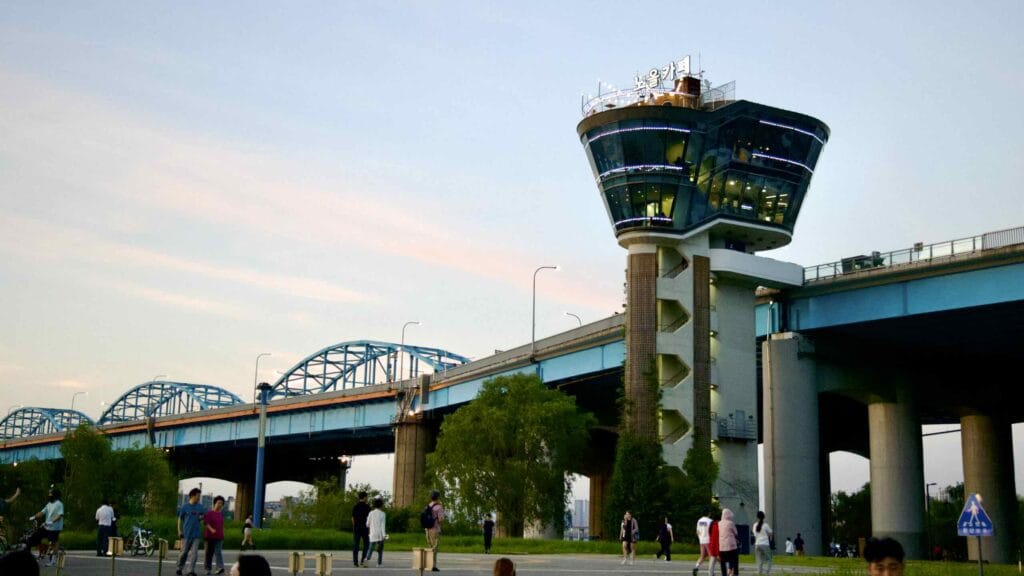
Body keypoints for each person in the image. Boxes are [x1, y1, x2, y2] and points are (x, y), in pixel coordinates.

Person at [28, 486, 63, 566]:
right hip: (46, 526)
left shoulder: (59, 504)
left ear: (55, 495)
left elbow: (60, 515)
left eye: (50, 494)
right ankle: (31, 555)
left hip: (55, 528)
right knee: (34, 537)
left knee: (53, 543)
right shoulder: (49, 504)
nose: (49, 495)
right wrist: (34, 516)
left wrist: (52, 521)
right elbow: (42, 512)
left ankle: (53, 560)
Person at [176, 487, 206, 576]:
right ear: (192, 496)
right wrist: (179, 530)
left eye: (199, 496)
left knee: (194, 554)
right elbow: (180, 519)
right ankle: (179, 568)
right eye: (198, 496)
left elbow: (203, 516)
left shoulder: (200, 507)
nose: (199, 498)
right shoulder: (185, 507)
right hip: (186, 534)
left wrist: (202, 517)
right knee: (184, 553)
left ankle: (190, 571)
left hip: (196, 535)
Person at [204, 495, 226, 575]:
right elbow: (206, 523)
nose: (220, 505)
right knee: (209, 553)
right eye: (218, 503)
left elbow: (221, 525)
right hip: (209, 537)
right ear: (214, 503)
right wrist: (211, 530)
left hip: (219, 537)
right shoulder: (210, 513)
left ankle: (220, 568)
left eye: (221, 503)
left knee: (218, 552)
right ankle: (208, 569)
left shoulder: (220, 514)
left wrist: (222, 533)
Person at [424, 489, 444, 572]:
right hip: (435, 529)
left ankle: (428, 564)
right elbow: (440, 519)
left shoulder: (428, 505)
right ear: (438, 497)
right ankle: (433, 566)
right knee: (434, 548)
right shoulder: (439, 507)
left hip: (427, 529)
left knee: (430, 547)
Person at [352, 490, 371, 567]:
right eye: (367, 497)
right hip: (365, 528)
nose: (367, 498)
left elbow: (353, 519)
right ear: (364, 497)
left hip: (357, 528)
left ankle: (355, 562)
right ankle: (363, 561)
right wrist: (369, 529)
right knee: (366, 545)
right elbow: (369, 519)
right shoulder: (367, 507)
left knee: (356, 545)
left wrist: (354, 527)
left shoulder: (355, 506)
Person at [718, 508, 738, 576]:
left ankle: (724, 574)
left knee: (722, 561)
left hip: (721, 545)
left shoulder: (719, 523)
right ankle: (730, 571)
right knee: (732, 558)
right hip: (730, 545)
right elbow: (736, 533)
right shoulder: (730, 523)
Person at [367, 496, 387, 566]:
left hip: (372, 533)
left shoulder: (371, 513)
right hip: (380, 534)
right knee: (380, 550)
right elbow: (382, 526)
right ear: (381, 505)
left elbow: (367, 524)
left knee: (370, 549)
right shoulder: (383, 514)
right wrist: (384, 536)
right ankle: (379, 563)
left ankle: (366, 561)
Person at [753, 511, 773, 575]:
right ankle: (767, 572)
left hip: (757, 544)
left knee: (759, 560)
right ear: (763, 517)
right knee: (769, 559)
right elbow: (771, 533)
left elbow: (755, 535)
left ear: (757, 517)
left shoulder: (754, 525)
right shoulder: (765, 525)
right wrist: (770, 540)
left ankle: (759, 572)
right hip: (765, 544)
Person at [693, 508, 713, 576]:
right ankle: (711, 572)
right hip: (709, 540)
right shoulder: (710, 521)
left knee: (702, 556)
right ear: (708, 513)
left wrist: (700, 538)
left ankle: (696, 567)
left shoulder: (699, 520)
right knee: (711, 556)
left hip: (701, 541)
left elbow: (697, 532)